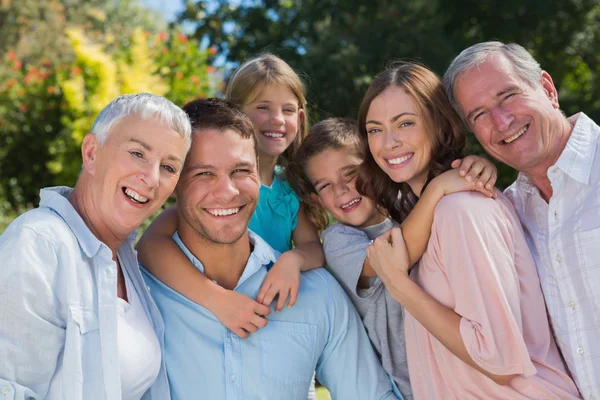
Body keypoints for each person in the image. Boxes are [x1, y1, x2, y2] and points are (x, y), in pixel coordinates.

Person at [140, 98, 401, 400]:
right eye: (204, 173)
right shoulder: (136, 293)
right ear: (174, 181)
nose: (227, 192)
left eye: (241, 171)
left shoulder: (318, 294)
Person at [358, 63, 581, 399]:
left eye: (405, 123)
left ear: (438, 124)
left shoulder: (461, 211)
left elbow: (498, 361)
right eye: (375, 130)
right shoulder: (430, 214)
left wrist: (401, 287)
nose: (389, 143)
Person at [137, 54, 323, 398]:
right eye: (263, 107)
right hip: (215, 318)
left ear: (300, 116)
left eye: (287, 109)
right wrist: (217, 300)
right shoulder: (211, 196)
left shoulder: (290, 189)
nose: (276, 119)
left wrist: (292, 261)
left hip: (273, 319)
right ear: (235, 113)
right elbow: (150, 246)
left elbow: (314, 249)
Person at [285, 117, 499, 400]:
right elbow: (394, 256)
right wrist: (439, 189)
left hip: (461, 369)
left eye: (350, 173)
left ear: (375, 167)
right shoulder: (339, 241)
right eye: (325, 186)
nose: (341, 190)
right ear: (317, 199)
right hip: (409, 387)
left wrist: (478, 169)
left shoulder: (412, 206)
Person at [0, 93, 191, 400]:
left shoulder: (127, 261)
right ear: (91, 153)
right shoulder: (39, 243)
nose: (152, 178)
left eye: (169, 167)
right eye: (137, 153)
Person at [443, 41, 600, 400]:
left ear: (547, 89)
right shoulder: (505, 214)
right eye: (479, 114)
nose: (501, 121)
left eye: (508, 95)